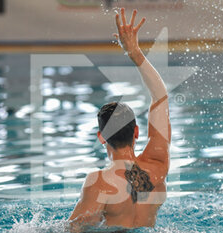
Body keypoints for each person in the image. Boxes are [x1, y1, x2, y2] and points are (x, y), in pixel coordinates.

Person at [68, 8, 171, 232]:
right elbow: (160, 96)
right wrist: (135, 53)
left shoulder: (99, 183)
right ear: (136, 133)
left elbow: (73, 229)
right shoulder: (158, 167)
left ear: (101, 137)